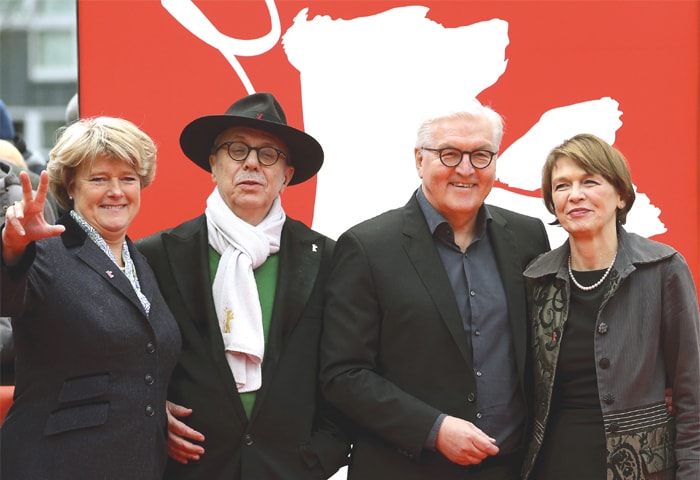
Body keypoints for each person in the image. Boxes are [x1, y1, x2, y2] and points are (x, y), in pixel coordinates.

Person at [320, 101, 551, 479]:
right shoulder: (367, 247)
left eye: (480, 155)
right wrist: (433, 428)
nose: (465, 169)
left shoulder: (529, 238)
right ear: (419, 160)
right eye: (449, 154)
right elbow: (342, 375)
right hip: (407, 467)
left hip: (511, 468)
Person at [136, 92, 351, 480]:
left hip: (291, 469)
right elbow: (130, 356)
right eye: (236, 150)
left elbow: (345, 366)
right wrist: (149, 414)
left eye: (269, 154)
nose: (252, 162)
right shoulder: (156, 255)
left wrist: (322, 455)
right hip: (191, 468)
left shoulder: (328, 258)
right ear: (213, 164)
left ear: (287, 175)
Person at [0, 116, 181, 479]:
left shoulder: (142, 262)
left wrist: (153, 408)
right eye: (99, 179)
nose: (116, 191)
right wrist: (11, 248)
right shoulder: (44, 252)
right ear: (70, 188)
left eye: (128, 179)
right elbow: (6, 295)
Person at [521, 133, 700, 479]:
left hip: (645, 470)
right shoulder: (535, 279)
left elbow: (691, 394)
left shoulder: (663, 269)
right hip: (554, 466)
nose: (575, 195)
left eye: (590, 181)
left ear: (621, 195)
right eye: (562, 186)